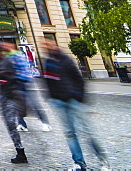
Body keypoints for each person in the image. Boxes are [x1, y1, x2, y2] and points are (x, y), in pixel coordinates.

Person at [42, 40, 110, 171]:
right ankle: (79, 163)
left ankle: (103, 161)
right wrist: (52, 97)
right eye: (44, 46)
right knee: (70, 133)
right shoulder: (48, 62)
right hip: (59, 102)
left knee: (87, 132)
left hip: (74, 101)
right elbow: (48, 82)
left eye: (48, 44)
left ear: (54, 45)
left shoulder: (65, 59)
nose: (47, 47)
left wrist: (79, 96)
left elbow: (78, 79)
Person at [0, 42, 27, 164]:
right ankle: (20, 152)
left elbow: (15, 78)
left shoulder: (8, 62)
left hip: (12, 96)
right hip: (3, 97)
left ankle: (21, 153)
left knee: (11, 123)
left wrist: (4, 78)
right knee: (10, 126)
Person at [6, 42, 51, 132]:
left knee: (32, 104)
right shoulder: (9, 57)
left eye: (8, 45)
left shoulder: (19, 56)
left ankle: (45, 123)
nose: (6, 47)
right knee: (18, 105)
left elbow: (25, 69)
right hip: (15, 84)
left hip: (23, 83)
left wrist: (21, 79)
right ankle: (22, 124)